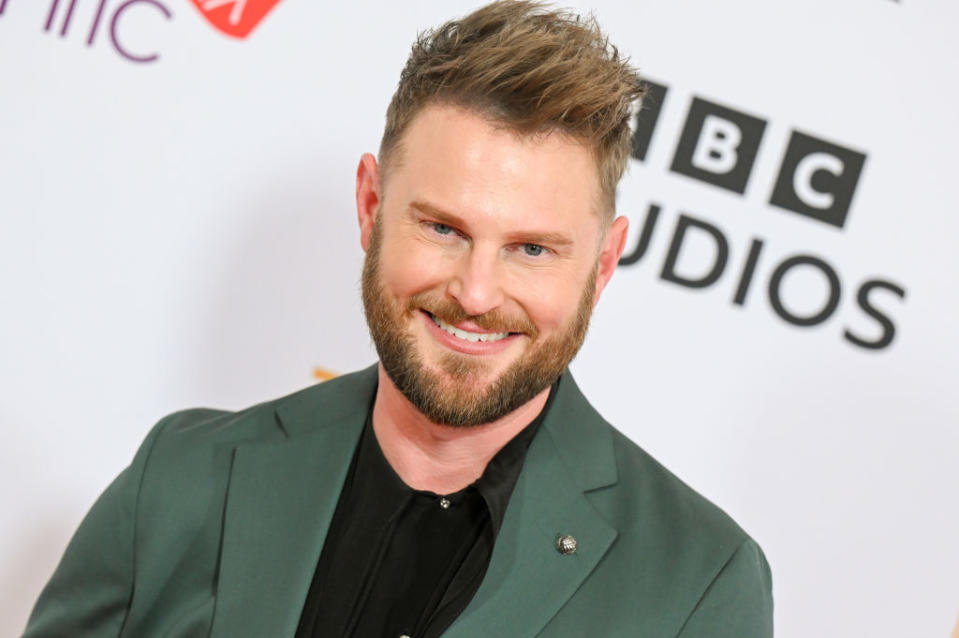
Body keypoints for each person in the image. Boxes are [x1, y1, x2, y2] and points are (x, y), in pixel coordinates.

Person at [23, 2, 773, 636]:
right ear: (371, 206)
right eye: (443, 229)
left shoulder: (696, 584)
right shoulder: (183, 479)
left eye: (532, 249)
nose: (476, 293)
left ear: (603, 264)